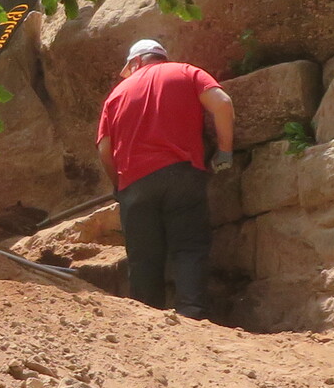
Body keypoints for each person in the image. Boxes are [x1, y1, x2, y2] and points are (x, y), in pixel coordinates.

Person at [96, 38, 235, 319]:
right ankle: (192, 314)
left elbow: (104, 149)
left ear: (136, 62)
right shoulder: (186, 72)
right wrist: (225, 152)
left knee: (143, 258)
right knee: (189, 247)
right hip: (183, 174)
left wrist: (119, 186)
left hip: (135, 184)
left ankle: (147, 321)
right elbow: (222, 103)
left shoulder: (116, 95)